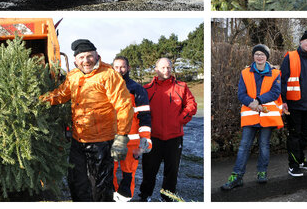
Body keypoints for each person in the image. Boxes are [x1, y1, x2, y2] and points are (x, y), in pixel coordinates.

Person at [40, 39, 133, 202]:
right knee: (77, 182)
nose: (86, 60)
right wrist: (39, 100)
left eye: (89, 56)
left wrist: (122, 136)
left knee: (99, 185)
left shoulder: (108, 75)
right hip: (78, 140)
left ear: (97, 55)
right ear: (75, 59)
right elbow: (61, 95)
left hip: (101, 142)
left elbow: (124, 105)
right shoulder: (74, 76)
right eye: (81, 57)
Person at [221, 43, 282, 190]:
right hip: (250, 114)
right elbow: (241, 94)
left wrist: (259, 101)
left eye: (262, 54)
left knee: (264, 146)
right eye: (257, 54)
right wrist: (252, 103)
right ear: (253, 56)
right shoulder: (245, 72)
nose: (259, 56)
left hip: (267, 115)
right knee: (244, 146)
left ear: (267, 56)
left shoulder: (275, 73)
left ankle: (262, 172)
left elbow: (275, 92)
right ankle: (237, 176)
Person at [139, 58, 197, 202]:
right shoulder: (146, 89)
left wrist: (180, 119)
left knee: (171, 171)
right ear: (156, 69)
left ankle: (168, 198)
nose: (166, 70)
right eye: (163, 68)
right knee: (149, 169)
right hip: (153, 138)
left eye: (169, 67)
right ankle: (145, 196)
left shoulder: (182, 87)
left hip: (174, 137)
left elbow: (192, 105)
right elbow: (139, 112)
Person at [280, 30, 307, 177]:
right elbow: (282, 80)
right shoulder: (290, 56)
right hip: (293, 104)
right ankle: (293, 165)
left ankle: (301, 160)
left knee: (304, 135)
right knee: (294, 135)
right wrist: (283, 101)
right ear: (301, 42)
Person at [112, 56, 152, 202]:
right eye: (116, 67)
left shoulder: (137, 89)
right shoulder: (106, 88)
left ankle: (124, 201)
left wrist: (145, 141)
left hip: (131, 142)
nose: (119, 70)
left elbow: (145, 117)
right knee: (109, 172)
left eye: (122, 67)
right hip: (111, 139)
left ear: (128, 68)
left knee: (128, 175)